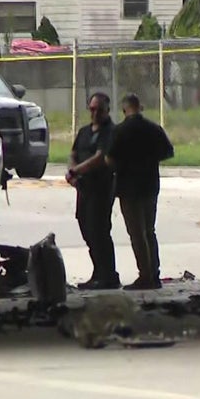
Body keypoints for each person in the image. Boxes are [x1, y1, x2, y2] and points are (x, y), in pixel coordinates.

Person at [106, 94, 174, 290]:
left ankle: (145, 275)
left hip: (129, 187)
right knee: (149, 230)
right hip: (150, 184)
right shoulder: (154, 128)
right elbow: (168, 152)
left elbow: (110, 159)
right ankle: (155, 272)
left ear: (125, 109)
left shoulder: (120, 131)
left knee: (136, 233)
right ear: (140, 107)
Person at [67, 92, 120, 290]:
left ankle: (109, 274)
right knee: (86, 228)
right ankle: (98, 272)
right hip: (84, 188)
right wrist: (72, 171)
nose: (95, 113)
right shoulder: (84, 131)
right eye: (92, 109)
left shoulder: (110, 132)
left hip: (101, 187)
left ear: (107, 110)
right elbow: (73, 153)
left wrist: (76, 170)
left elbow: (100, 158)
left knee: (100, 231)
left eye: (99, 109)